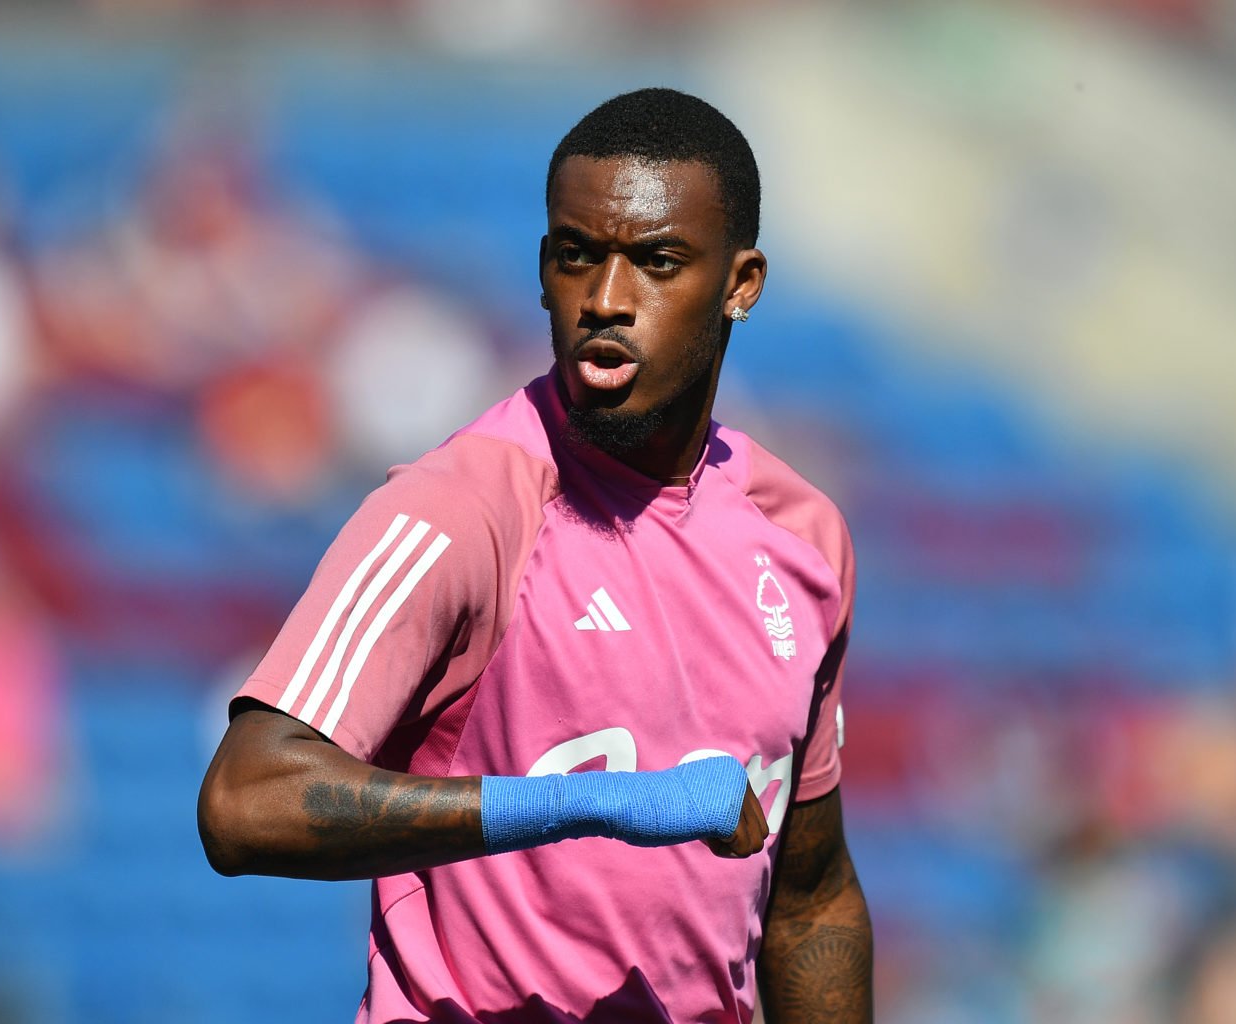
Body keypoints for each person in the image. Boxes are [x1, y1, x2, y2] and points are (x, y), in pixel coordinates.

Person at [198, 87, 872, 1023]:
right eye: (577, 256)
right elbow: (244, 801)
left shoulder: (803, 536)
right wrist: (579, 806)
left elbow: (810, 899)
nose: (606, 299)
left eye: (658, 262)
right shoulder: (460, 508)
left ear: (741, 283)